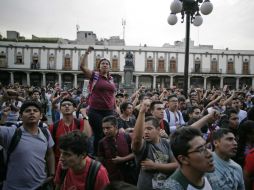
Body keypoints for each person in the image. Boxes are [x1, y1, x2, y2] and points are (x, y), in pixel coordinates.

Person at [0, 101, 55, 190]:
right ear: (21, 116)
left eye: (35, 110)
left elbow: (50, 154)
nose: (32, 112)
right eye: (27, 111)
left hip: (40, 186)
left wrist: (52, 174)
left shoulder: (45, 133)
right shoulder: (12, 132)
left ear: (41, 116)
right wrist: (2, 99)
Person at [131, 99, 178, 190]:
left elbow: (176, 165)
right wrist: (142, 112)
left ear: (157, 129)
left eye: (149, 128)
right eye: (144, 129)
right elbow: (136, 140)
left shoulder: (166, 143)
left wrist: (155, 166)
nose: (145, 132)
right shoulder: (143, 145)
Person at [80, 46, 116, 155]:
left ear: (109, 67)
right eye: (102, 63)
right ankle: (97, 155)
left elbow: (112, 94)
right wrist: (86, 53)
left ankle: (108, 154)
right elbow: (82, 66)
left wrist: (116, 107)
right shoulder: (95, 76)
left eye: (107, 63)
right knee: (99, 133)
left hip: (109, 110)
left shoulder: (111, 79)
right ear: (99, 67)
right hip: (96, 111)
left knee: (109, 133)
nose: (105, 65)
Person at [49, 97, 92, 166]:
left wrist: (84, 115)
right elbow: (50, 150)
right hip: (60, 164)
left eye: (69, 104)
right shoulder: (53, 127)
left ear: (74, 108)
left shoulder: (80, 122)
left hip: (78, 164)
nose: (66, 106)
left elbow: (87, 135)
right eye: (63, 105)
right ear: (60, 109)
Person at [97, 115, 137, 184]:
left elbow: (135, 153)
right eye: (103, 128)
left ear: (115, 127)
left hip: (128, 174)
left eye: (108, 128)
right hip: (113, 176)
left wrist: (123, 159)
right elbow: (101, 160)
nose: (105, 131)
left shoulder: (126, 137)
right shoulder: (102, 142)